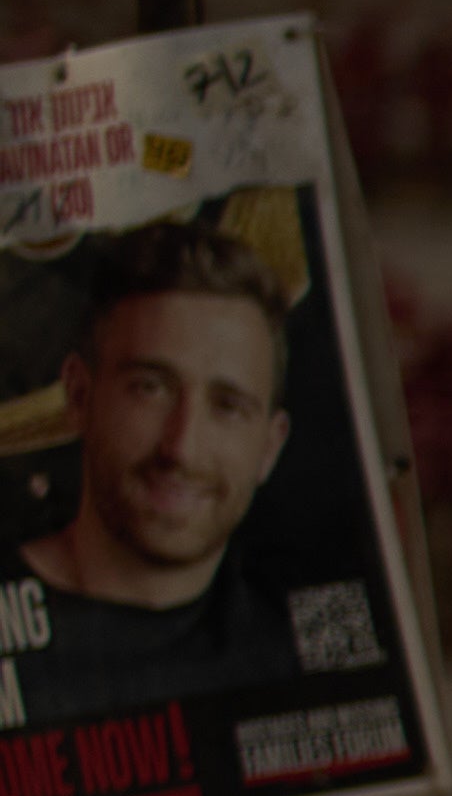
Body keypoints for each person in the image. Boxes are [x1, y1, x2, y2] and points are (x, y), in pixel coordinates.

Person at [0, 220, 320, 726]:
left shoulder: (294, 664)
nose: (181, 448)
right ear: (79, 396)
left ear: (270, 446)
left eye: (228, 406)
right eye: (151, 388)